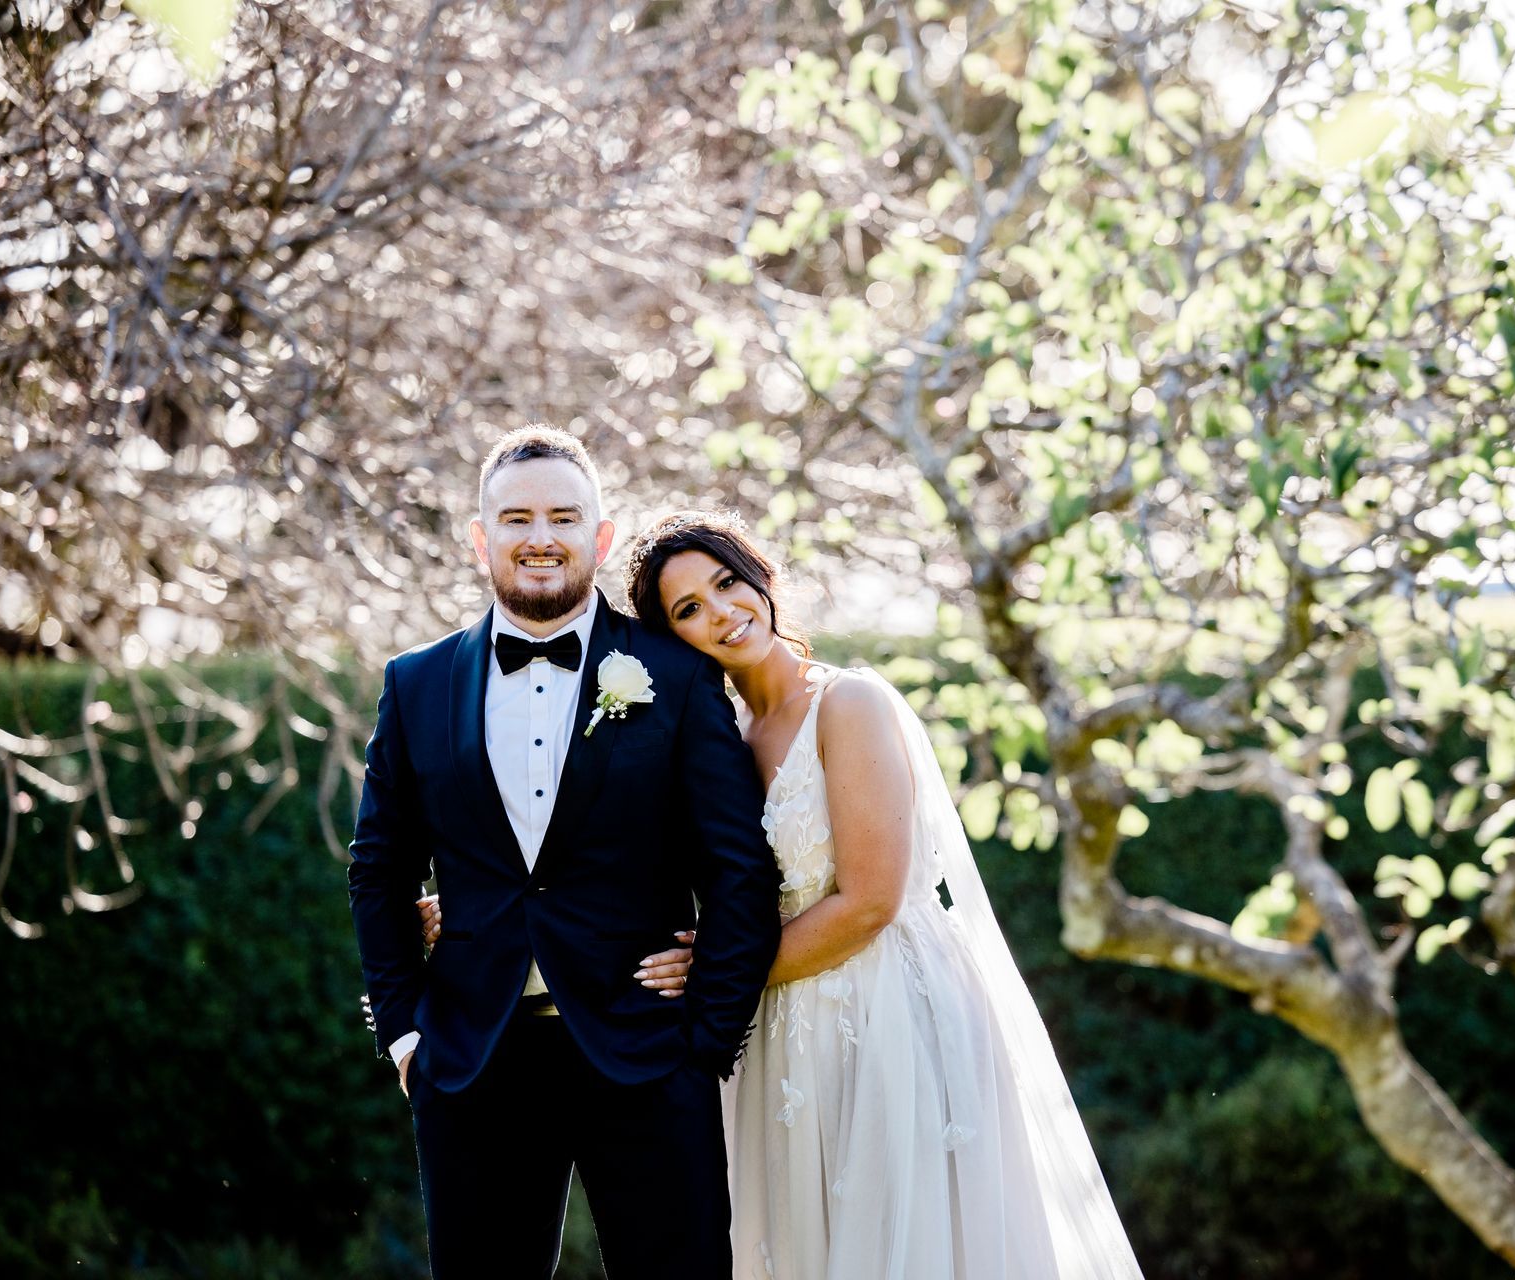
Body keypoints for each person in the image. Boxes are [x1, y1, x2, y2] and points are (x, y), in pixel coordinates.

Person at [424, 510, 1144, 1279]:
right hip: (781, 1029)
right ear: (673, 638)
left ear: (762, 578)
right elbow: (635, 866)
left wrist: (720, 969)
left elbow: (873, 900)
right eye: (689, 610)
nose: (723, 614)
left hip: (884, 1014)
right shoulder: (718, 737)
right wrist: (477, 915)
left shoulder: (850, 705)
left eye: (728, 584)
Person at [347, 428, 784, 1280]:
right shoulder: (415, 683)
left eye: (563, 516)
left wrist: (705, 1045)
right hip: (473, 1059)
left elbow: (738, 869)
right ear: (481, 539)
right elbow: (378, 868)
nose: (540, 537)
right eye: (516, 518)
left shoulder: (679, 673)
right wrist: (404, 1036)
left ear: (601, 536)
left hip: (651, 1055)